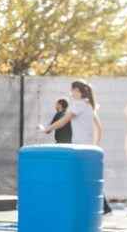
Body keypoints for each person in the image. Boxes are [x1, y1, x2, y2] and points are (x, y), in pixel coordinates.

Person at [43, 80, 111, 214]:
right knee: (86, 178)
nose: (71, 93)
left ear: (78, 91)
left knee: (73, 176)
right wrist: (95, 145)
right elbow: (99, 127)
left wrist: (48, 129)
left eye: (72, 90)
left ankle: (95, 207)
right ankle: (102, 207)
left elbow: (64, 120)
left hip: (78, 148)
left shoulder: (79, 105)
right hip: (87, 147)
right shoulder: (89, 105)